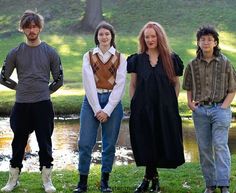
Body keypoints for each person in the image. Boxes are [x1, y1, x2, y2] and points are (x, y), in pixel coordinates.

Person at [0, 10, 63, 193]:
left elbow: (59, 79)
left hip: (43, 104)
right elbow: (3, 76)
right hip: (21, 105)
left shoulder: (50, 51)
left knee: (45, 142)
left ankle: (47, 181)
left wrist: (46, 91)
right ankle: (13, 180)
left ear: (40, 28)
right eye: (28, 27)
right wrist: (16, 87)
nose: (31, 30)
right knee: (18, 142)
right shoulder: (16, 52)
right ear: (23, 29)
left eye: (34, 26)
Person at [127, 21, 185, 193]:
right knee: (147, 142)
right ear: (143, 39)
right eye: (147, 37)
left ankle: (148, 179)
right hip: (142, 109)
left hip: (164, 109)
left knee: (159, 141)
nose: (150, 39)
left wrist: (169, 104)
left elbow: (176, 84)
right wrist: (135, 104)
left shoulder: (171, 59)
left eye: (153, 36)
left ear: (159, 37)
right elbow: (133, 85)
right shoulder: (137, 60)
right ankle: (152, 179)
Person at [73, 21, 127, 193]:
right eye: (101, 34)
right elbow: (88, 84)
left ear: (112, 36)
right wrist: (97, 109)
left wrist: (108, 109)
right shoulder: (88, 56)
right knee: (85, 143)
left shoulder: (121, 58)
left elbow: (120, 86)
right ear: (96, 37)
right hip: (91, 102)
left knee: (109, 144)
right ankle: (82, 182)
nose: (104, 37)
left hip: (112, 102)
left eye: (107, 34)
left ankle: (105, 182)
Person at [183, 25, 236, 193]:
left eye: (209, 39)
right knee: (204, 148)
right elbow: (188, 86)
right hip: (200, 112)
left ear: (215, 43)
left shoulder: (225, 63)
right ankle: (210, 184)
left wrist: (224, 107)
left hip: (220, 109)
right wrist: (190, 104)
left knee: (220, 145)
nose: (206, 42)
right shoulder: (192, 65)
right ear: (198, 42)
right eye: (202, 39)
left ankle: (224, 185)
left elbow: (232, 89)